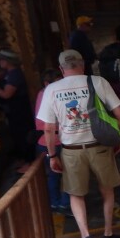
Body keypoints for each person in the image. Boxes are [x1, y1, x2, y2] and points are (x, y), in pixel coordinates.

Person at [37, 49, 120, 238]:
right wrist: (117, 138)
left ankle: (86, 237)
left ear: (61, 69)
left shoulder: (51, 89)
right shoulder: (98, 82)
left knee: (76, 194)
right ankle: (107, 234)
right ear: (82, 64)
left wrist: (52, 156)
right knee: (107, 190)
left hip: (71, 150)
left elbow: (49, 129)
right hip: (100, 146)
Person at [0, 49, 35, 165]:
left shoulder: (14, 75)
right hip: (14, 112)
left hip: (19, 112)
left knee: (22, 136)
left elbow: (6, 94)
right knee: (17, 135)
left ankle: (28, 162)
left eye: (2, 60)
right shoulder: (9, 74)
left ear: (8, 61)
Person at [34, 68, 71, 215]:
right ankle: (64, 204)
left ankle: (55, 203)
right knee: (68, 175)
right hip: (55, 141)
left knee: (54, 175)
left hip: (45, 142)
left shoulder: (41, 94)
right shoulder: (50, 96)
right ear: (46, 83)